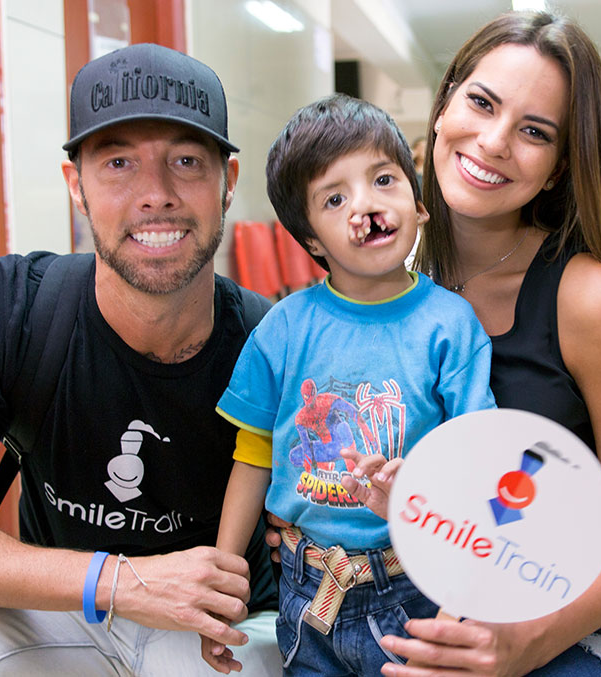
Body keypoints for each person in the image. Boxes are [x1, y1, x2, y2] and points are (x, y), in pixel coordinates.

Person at [328, 11, 601, 677]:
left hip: (569, 612)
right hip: (412, 601)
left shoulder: (591, 301)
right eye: (481, 102)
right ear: (442, 108)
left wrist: (527, 640)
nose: (494, 141)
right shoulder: (370, 275)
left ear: (558, 169)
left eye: (534, 132)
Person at [0, 43, 281, 676]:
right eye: (119, 162)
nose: (154, 194)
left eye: (186, 161)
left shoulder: (274, 344)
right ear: (76, 186)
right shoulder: (9, 307)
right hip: (65, 608)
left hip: (220, 634)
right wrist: (121, 581)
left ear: (227, 183)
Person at [202, 94, 497, 676]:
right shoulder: (283, 330)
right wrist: (224, 584)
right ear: (312, 241)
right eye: (334, 199)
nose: (366, 205)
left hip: (415, 580)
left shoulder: (451, 325)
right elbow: (254, 453)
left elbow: (477, 461)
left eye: (384, 180)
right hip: (305, 586)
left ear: (418, 205)